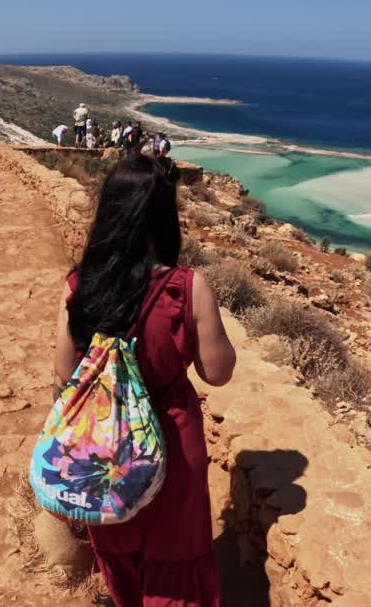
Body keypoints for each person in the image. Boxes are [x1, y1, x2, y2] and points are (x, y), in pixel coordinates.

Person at [55, 156, 236, 607]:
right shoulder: (186, 287)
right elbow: (218, 372)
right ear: (163, 216)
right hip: (170, 443)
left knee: (120, 556)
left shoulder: (79, 285)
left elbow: (63, 373)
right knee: (176, 563)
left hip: (103, 449)